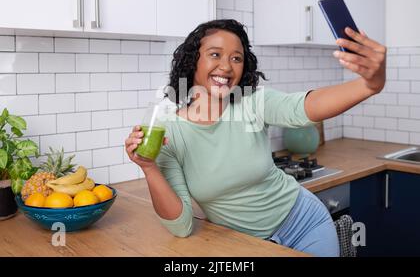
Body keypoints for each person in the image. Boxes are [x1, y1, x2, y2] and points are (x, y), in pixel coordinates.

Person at [125, 19, 386, 257]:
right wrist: (149, 167)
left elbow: (304, 107)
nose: (226, 66)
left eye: (236, 58)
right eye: (215, 54)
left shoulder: (252, 102)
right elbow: (181, 225)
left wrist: (368, 85)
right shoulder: (169, 132)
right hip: (246, 246)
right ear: (193, 60)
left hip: (306, 223)